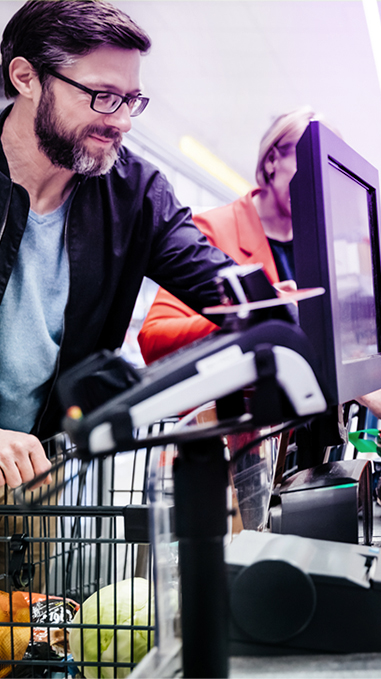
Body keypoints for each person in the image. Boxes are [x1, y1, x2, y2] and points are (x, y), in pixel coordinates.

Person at [0, 0, 239, 488]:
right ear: (26, 78)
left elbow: (229, 289)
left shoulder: (135, 193)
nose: (123, 121)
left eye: (131, 99)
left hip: (41, 476)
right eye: (103, 95)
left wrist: (349, 376)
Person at [138, 107, 381, 436]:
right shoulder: (213, 231)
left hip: (305, 434)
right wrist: (262, 313)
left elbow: (338, 348)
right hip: (232, 438)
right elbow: (154, 341)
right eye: (306, 164)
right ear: (271, 161)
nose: (317, 185)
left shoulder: (328, 245)